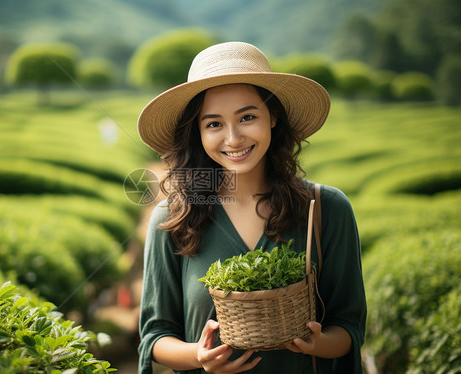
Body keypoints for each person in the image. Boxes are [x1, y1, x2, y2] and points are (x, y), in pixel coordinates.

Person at [137, 41, 366, 374]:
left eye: (247, 117)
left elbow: (349, 325)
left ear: (272, 117)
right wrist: (198, 356)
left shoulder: (327, 209)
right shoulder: (174, 219)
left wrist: (318, 343)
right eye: (214, 124)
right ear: (198, 133)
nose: (233, 138)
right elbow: (155, 337)